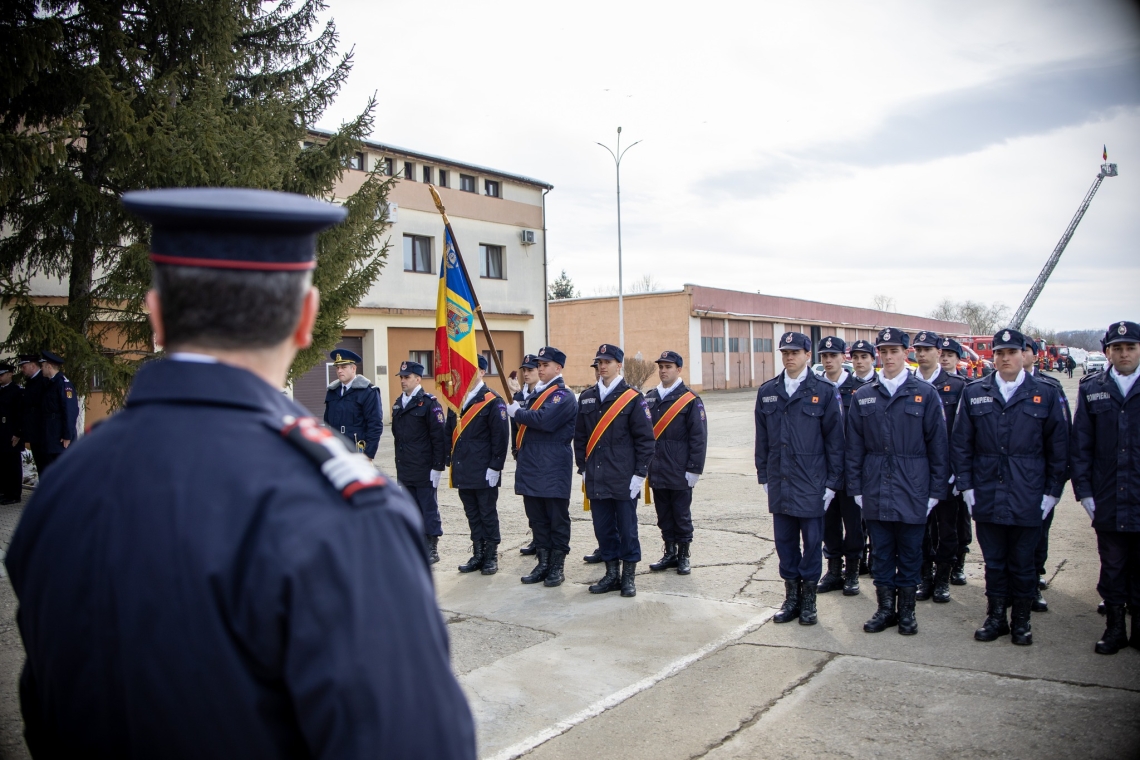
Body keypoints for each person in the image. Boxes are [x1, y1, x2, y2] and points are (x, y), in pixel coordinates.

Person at [4, 187, 475, 757]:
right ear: (305, 320)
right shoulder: (340, 511)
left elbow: (42, 706)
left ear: (156, 316)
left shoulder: (66, 484)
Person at [954, 328, 1067, 647]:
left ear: (1023, 354)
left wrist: (1051, 492)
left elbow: (1058, 446)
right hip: (987, 492)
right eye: (999, 353)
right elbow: (961, 444)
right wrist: (967, 486)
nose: (1005, 358)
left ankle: (1021, 621)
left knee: (1023, 562)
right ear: (993, 356)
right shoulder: (975, 391)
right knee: (995, 563)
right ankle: (995, 617)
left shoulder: (1045, 392)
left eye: (1011, 352)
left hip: (1028, 493)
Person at [847, 327, 948, 636]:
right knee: (880, 553)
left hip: (912, 488)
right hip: (876, 488)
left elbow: (939, 447)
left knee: (910, 553)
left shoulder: (925, 394)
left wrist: (934, 491)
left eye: (894, 351)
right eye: (884, 351)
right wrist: (856, 489)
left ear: (907, 353)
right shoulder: (864, 396)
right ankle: (884, 609)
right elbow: (854, 448)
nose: (888, 357)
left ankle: (907, 612)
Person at [755, 332, 845, 625]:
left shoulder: (824, 391)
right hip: (780, 481)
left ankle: (809, 602)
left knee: (813, 543)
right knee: (784, 543)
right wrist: (764, 475)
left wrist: (832, 482)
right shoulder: (768, 390)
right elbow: (762, 438)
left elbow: (835, 441)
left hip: (811, 481)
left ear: (809, 354)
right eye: (785, 352)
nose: (789, 357)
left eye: (795, 352)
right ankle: (791, 597)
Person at [1071, 320, 1140, 655]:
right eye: (1117, 348)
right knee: (1112, 566)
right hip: (1109, 494)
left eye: (1130, 347)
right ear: (1107, 352)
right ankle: (1114, 629)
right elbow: (1081, 444)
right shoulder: (1092, 388)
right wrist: (1084, 491)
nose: (1123, 353)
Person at [573, 344, 655, 598]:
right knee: (603, 527)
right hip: (596, 476)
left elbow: (645, 440)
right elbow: (580, 437)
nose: (602, 366)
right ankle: (611, 574)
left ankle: (628, 576)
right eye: (599, 361)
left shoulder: (632, 397)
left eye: (607, 361)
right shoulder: (587, 397)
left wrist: (640, 474)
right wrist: (583, 468)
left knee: (627, 529)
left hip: (623, 476)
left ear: (619, 365)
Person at [506, 346, 577, 587]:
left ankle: (557, 565)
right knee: (537, 518)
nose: (540, 368)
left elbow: (544, 420)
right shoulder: (534, 394)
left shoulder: (562, 395)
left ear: (558, 368)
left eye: (545, 365)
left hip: (553, 465)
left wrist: (518, 413)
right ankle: (543, 562)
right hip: (532, 465)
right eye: (539, 365)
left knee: (556, 518)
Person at [911, 332, 966, 604]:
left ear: (938, 351)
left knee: (947, 528)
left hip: (946, 471)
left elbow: (964, 433)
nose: (921, 354)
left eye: (927, 349)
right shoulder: (907, 384)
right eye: (917, 349)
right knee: (920, 527)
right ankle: (925, 576)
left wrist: (959, 470)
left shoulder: (957, 386)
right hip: (916, 471)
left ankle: (943, 578)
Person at [645, 350, 707, 575]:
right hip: (657, 468)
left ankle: (683, 555)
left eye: (668, 367)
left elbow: (698, 437)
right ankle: (669, 552)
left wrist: (694, 469)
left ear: (678, 369)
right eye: (661, 366)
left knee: (681, 514)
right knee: (663, 514)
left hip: (680, 468)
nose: (663, 370)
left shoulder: (690, 399)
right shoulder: (651, 397)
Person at [445, 355, 508, 575]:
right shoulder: (457, 400)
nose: (466, 375)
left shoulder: (492, 400)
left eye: (472, 370)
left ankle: (491, 556)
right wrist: (448, 459)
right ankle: (478, 554)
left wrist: (496, 466)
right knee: (471, 513)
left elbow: (500, 437)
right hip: (463, 467)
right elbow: (449, 431)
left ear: (482, 372)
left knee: (487, 513)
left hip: (484, 469)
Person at [814, 336, 866, 597]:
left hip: (851, 468)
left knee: (853, 523)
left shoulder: (860, 389)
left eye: (833, 355)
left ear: (843, 358)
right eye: (824, 356)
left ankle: (853, 571)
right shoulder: (816, 388)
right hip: (823, 469)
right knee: (828, 521)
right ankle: (834, 569)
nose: (828, 360)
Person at [1023, 340, 1072, 613]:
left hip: (1039, 478)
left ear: (1033, 355)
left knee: (1039, 532)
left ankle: (1034, 578)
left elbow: (1063, 435)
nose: (1020, 356)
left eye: (1025, 350)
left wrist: (1058, 480)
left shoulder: (1050, 387)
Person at [391, 360, 449, 564]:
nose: (403, 381)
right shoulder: (399, 403)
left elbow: (439, 438)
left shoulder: (429, 403)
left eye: (407, 377)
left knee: (428, 508)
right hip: (405, 467)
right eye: (401, 377)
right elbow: (397, 437)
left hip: (425, 467)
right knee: (410, 508)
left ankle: (431, 546)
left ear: (418, 379)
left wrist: (437, 467)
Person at [939, 337, 974, 586]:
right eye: (943, 353)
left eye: (950, 354)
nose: (945, 358)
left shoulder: (965, 386)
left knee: (960, 517)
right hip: (933, 464)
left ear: (958, 358)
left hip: (956, 463)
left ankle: (958, 562)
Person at [323, 348, 383, 458]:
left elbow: (375, 424)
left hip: (357, 449)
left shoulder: (367, 391)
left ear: (353, 368)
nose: (339, 371)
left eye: (343, 367)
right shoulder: (332, 391)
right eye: (337, 368)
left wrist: (368, 454)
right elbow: (327, 423)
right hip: (336, 450)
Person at [511, 354, 541, 556]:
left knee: (543, 501)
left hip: (541, 455)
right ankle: (536, 538)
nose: (526, 373)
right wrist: (516, 450)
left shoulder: (542, 395)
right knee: (529, 501)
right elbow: (514, 428)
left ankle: (543, 541)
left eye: (530, 370)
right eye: (524, 370)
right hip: (525, 455)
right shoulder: (519, 397)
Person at [37, 350, 80, 474]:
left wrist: (67, 435)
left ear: (49, 366)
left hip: (60, 437)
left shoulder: (63, 384)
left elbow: (70, 411)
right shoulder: (50, 384)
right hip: (50, 435)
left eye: (42, 366)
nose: (41, 369)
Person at [16, 355, 47, 475]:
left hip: (41, 431)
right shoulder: (30, 382)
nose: (22, 370)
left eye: (24, 367)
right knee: (40, 464)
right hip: (34, 432)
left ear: (33, 366)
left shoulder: (43, 381)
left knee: (45, 465)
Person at [0, 362, 24, 504]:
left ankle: (14, 494)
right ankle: (5, 491)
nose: (0, 378)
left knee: (13, 464)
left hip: (12, 433)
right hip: (2, 432)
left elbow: (20, 414)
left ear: (10, 374)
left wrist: (18, 432)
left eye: (2, 375)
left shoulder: (17, 391)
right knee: (3, 464)